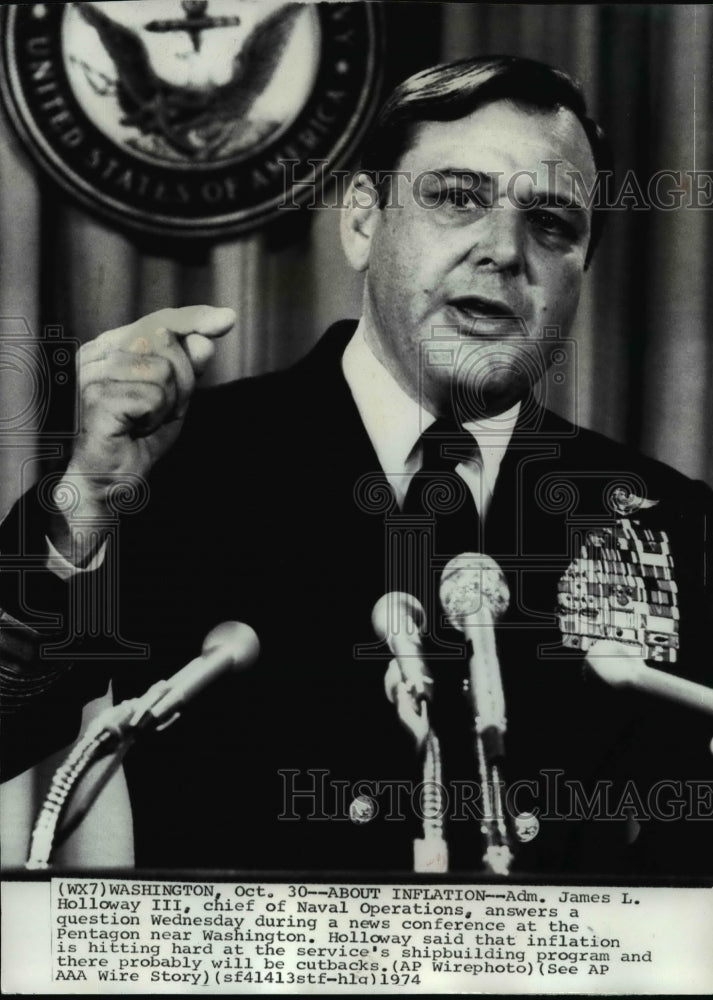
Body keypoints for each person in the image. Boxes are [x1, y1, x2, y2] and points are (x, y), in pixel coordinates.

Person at [1, 56, 711, 875]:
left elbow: (690, 867)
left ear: (581, 265)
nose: (504, 251)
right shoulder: (190, 466)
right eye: (456, 198)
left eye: (551, 223)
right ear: (363, 221)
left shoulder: (657, 516)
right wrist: (85, 500)